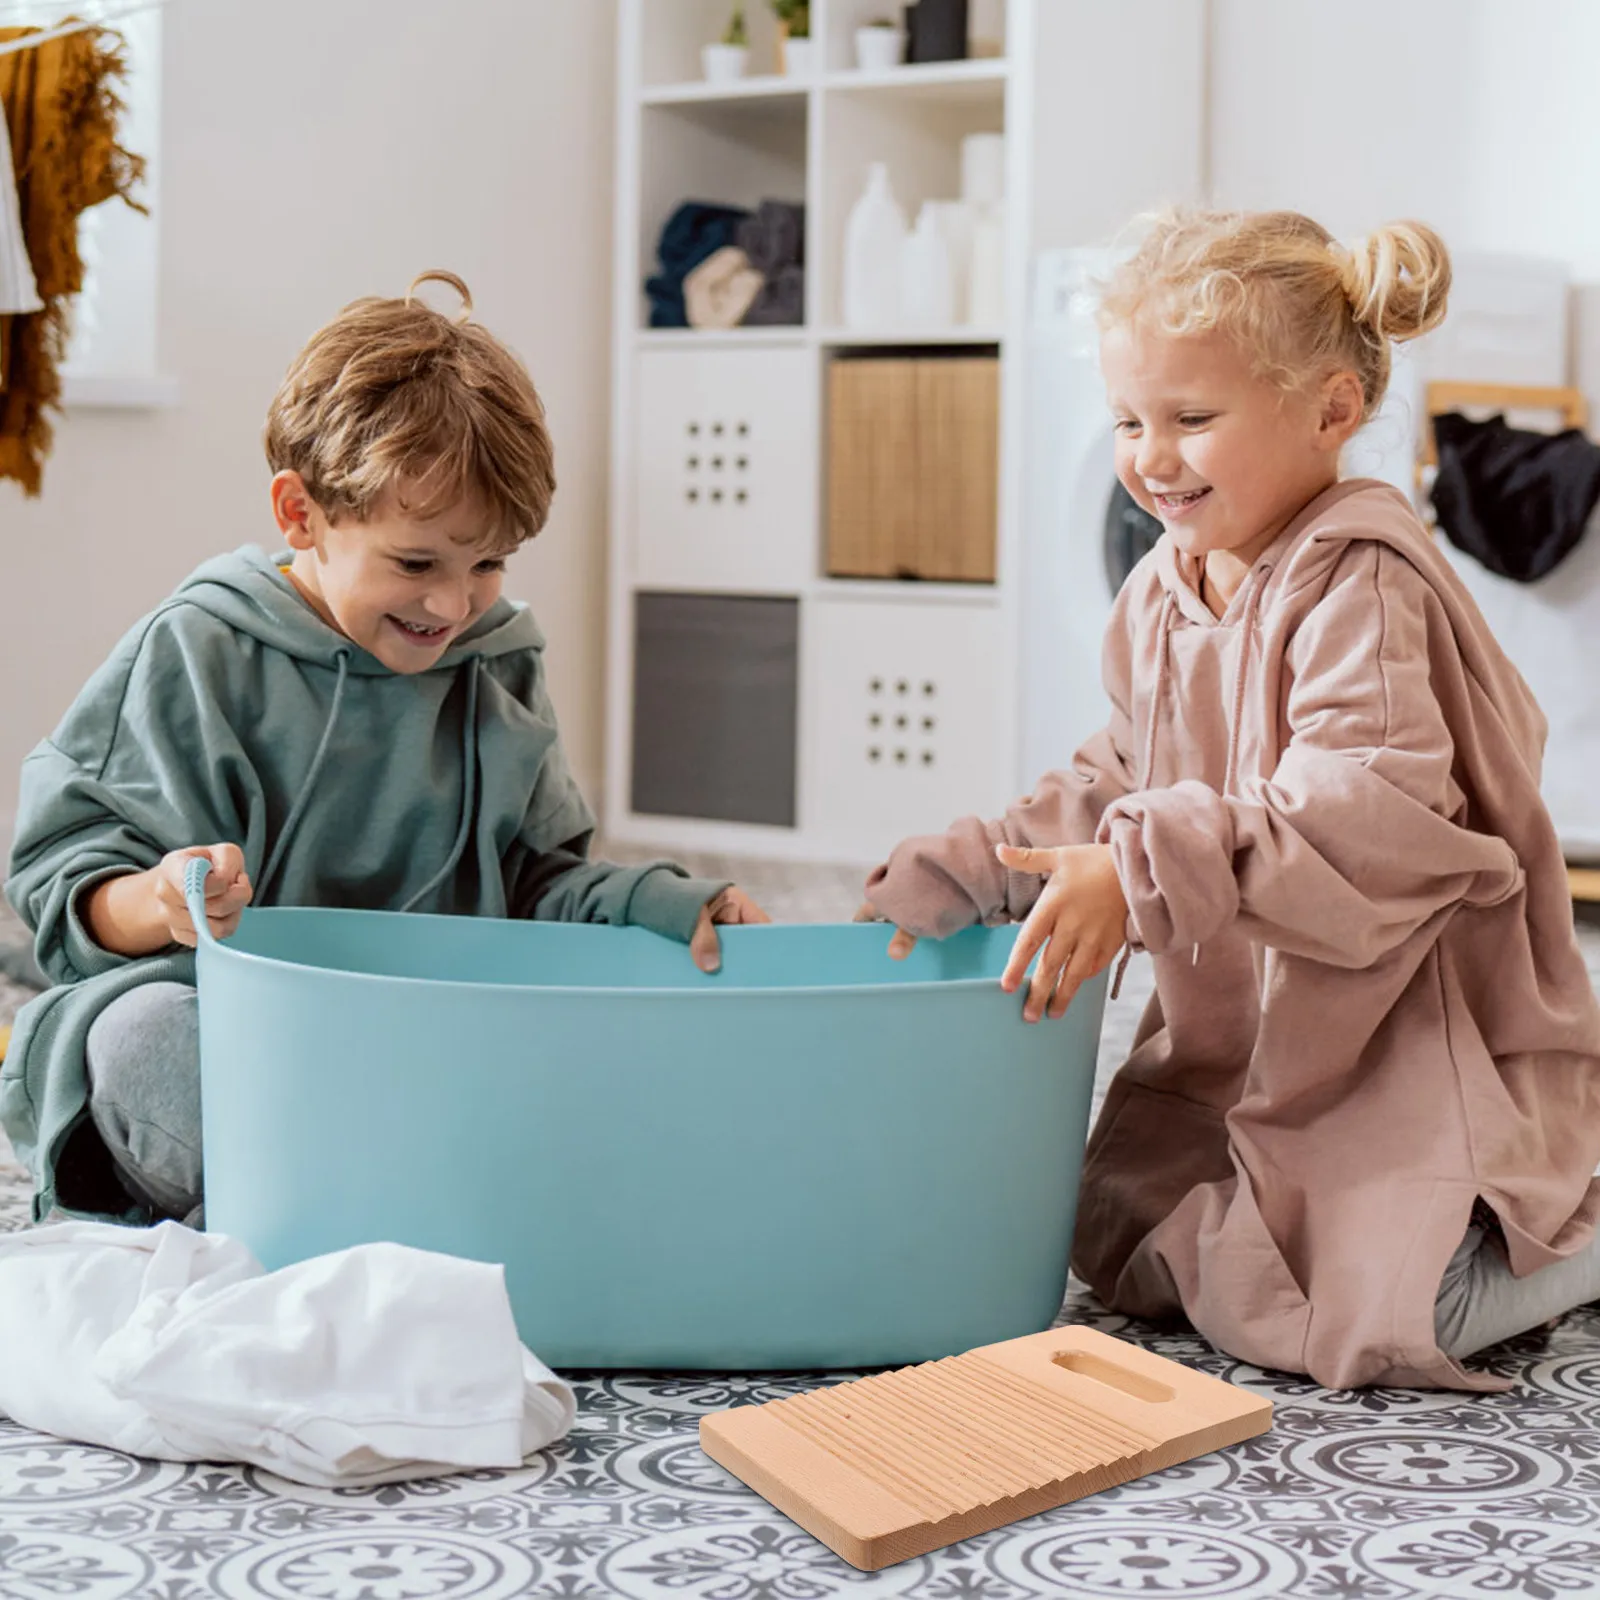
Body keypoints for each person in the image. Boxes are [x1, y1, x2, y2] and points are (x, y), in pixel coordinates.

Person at [861, 210, 1600, 1390]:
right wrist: (967, 868)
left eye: (1192, 420)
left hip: (1392, 1024)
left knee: (1407, 1309)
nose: (1152, 456)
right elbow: (1121, 767)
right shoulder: (1165, 586)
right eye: (1128, 421)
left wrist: (1145, 867)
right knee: (1122, 1236)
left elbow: (1359, 805)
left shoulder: (1358, 583)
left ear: (1330, 411)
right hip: (1260, 1026)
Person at [3, 271, 766, 1226]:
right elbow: (60, 884)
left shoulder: (497, 663)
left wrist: (657, 904)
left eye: (487, 563)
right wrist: (161, 900)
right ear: (300, 515)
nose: (453, 605)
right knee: (143, 1037)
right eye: (416, 563)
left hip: (432, 1037)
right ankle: (353, 1210)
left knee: (629, 1033)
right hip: (242, 1038)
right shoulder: (198, 650)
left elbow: (535, 884)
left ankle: (385, 1205)